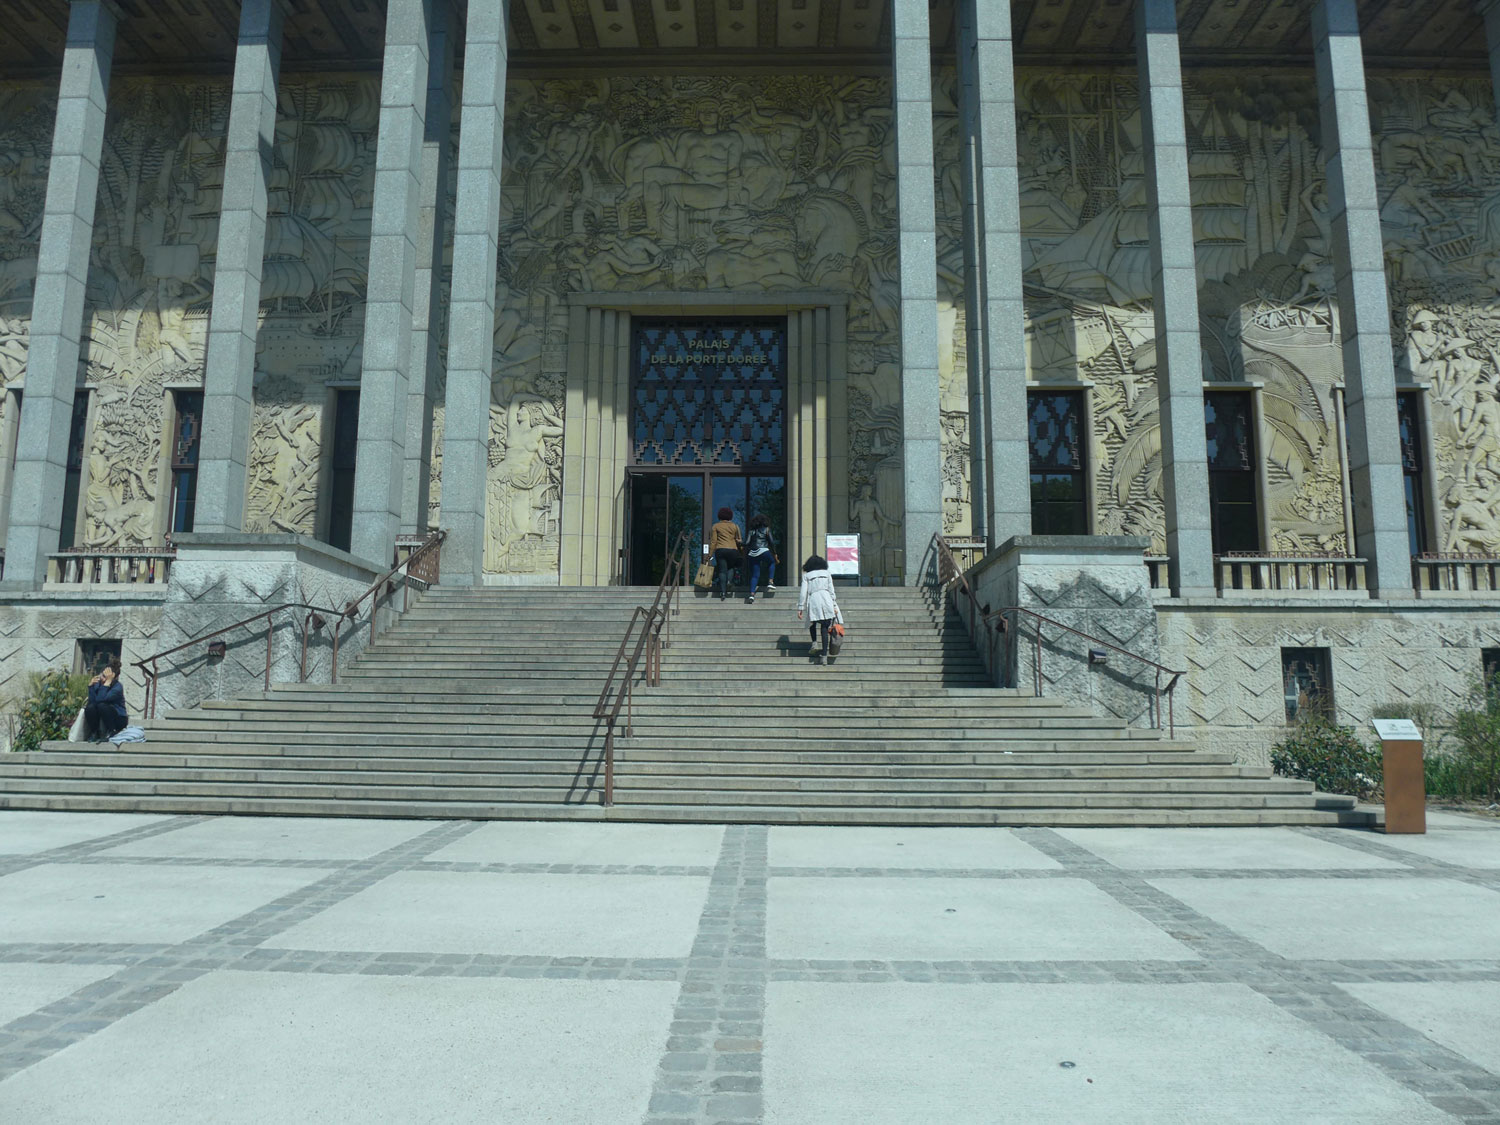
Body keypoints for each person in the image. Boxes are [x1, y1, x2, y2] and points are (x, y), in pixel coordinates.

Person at [797, 554, 843, 666]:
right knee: (824, 627)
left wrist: (800, 607)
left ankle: (814, 642)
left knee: (812, 622)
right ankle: (824, 656)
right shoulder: (827, 574)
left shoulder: (807, 575)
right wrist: (834, 606)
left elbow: (803, 593)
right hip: (826, 598)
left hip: (814, 599)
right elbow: (832, 591)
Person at [83, 658, 128, 743]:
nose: (101, 678)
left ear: (112, 677)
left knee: (102, 706)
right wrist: (91, 687)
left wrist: (107, 683)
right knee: (90, 707)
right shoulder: (99, 684)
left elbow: (101, 700)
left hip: (118, 719)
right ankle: (94, 732)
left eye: (104, 676)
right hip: (102, 717)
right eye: (101, 674)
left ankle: (112, 731)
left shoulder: (117, 687)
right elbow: (92, 702)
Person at [707, 506, 743, 600]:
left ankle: (722, 593)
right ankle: (729, 581)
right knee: (731, 567)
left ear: (720, 516)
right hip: (733, 550)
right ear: (730, 516)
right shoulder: (735, 526)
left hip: (721, 550)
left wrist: (709, 554)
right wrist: (742, 552)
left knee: (722, 571)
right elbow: (739, 540)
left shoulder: (715, 526)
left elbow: (713, 542)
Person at [743, 514, 778, 603]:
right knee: (772, 562)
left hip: (752, 553)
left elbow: (746, 543)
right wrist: (774, 553)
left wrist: (740, 544)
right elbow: (771, 542)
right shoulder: (766, 529)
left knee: (755, 575)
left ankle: (751, 595)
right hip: (763, 550)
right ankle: (770, 581)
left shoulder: (751, 531)